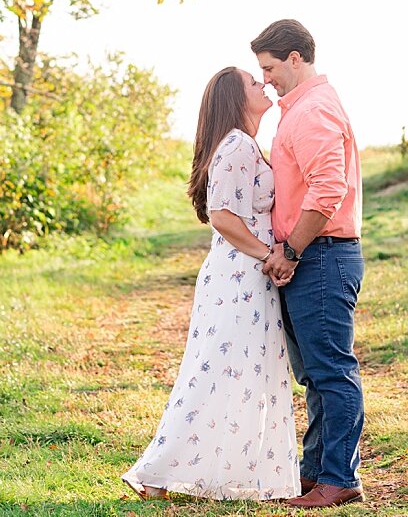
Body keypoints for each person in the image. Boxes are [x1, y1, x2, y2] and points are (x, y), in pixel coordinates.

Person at [121, 67, 301, 502]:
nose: (263, 85)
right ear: (236, 100)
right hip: (239, 277)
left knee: (235, 372)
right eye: (253, 84)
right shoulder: (237, 144)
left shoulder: (243, 144)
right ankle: (155, 472)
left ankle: (223, 469)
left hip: (240, 277)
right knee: (216, 371)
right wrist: (268, 255)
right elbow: (222, 215)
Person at [252, 19, 365, 509]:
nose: (266, 79)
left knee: (331, 372)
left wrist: (291, 250)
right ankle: (316, 471)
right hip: (312, 257)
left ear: (295, 58)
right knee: (315, 376)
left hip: (320, 257)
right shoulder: (300, 109)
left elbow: (327, 190)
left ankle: (339, 478)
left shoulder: (313, 110)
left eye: (270, 67)